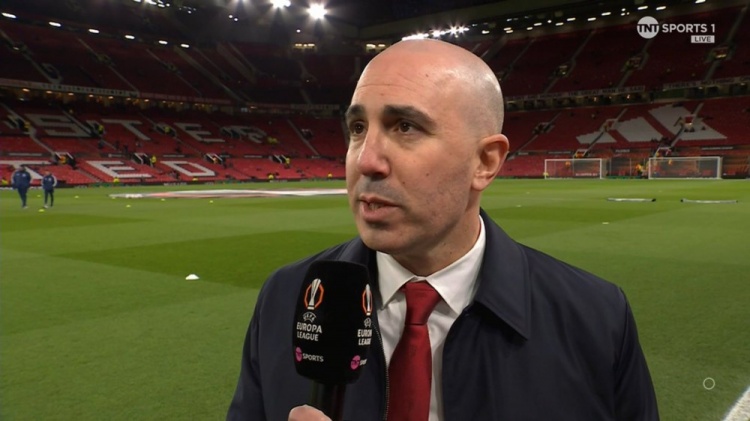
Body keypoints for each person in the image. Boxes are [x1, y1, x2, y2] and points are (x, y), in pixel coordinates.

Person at [227, 39, 658, 421]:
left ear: (485, 162)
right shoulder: (287, 297)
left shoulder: (596, 318)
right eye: (358, 128)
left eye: (405, 127)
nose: (366, 160)